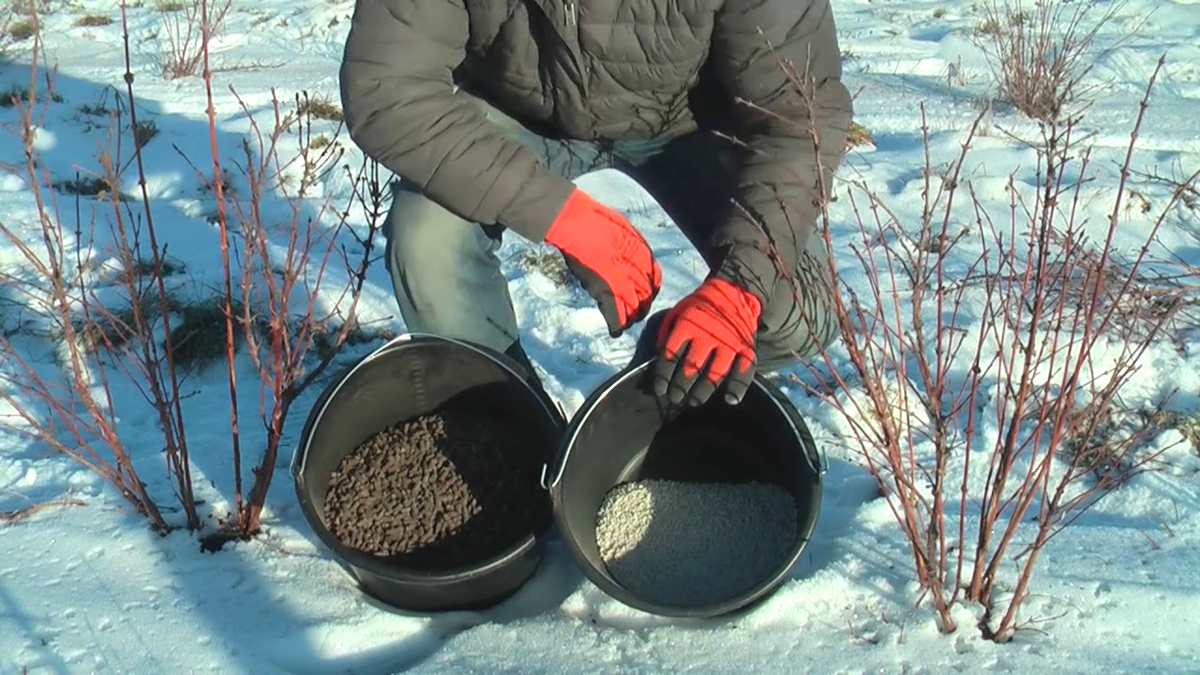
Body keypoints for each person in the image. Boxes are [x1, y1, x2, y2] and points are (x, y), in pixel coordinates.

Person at [339, 0, 852, 408]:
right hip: (521, 112)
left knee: (794, 308)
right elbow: (387, 90)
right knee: (427, 242)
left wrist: (734, 292)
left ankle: (663, 376)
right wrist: (560, 215)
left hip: (686, 118)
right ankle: (508, 420)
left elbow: (797, 117)